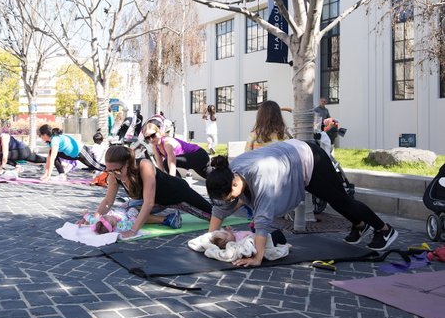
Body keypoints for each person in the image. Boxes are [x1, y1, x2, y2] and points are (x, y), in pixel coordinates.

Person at [205, 140, 398, 267]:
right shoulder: (228, 173)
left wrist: (257, 258)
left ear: (235, 182)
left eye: (231, 197)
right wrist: (209, 241)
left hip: (311, 159)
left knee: (342, 201)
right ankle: (359, 225)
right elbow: (220, 208)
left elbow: (263, 218)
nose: (230, 203)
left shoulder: (261, 176)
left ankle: (384, 229)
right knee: (337, 200)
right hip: (293, 159)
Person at [77, 145, 213, 238]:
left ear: (127, 164)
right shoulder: (113, 175)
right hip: (157, 202)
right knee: (123, 212)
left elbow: (148, 203)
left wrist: (133, 230)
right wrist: (94, 219)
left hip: (178, 195)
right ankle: (168, 219)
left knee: (214, 216)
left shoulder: (144, 166)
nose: (113, 174)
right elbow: (108, 201)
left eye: (116, 170)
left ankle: (232, 203)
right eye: (109, 170)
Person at [142, 122, 210, 179]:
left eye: (153, 135)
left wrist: (172, 183)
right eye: (147, 138)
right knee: (210, 177)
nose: (151, 139)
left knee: (166, 163)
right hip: (191, 158)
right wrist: (160, 179)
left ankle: (179, 187)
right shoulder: (155, 146)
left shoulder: (167, 142)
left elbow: (172, 164)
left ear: (159, 132)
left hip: (199, 155)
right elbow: (160, 165)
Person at [38, 124, 105, 182]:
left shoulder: (55, 140)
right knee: (52, 155)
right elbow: (49, 158)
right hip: (72, 154)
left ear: (45, 134)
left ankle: (111, 171)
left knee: (96, 166)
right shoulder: (50, 141)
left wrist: (48, 176)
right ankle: (62, 175)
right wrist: (45, 174)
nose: (40, 137)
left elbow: (52, 159)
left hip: (81, 151)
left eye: (40, 135)